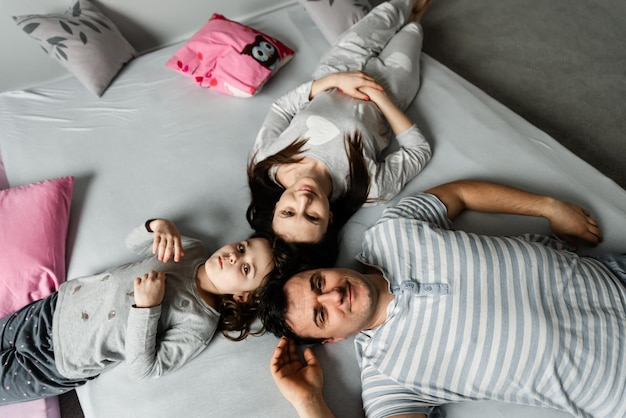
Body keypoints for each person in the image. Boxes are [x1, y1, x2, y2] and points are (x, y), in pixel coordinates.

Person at [261, 179, 626, 418]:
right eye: (322, 314)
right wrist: (310, 404)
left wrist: (548, 205)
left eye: (319, 284)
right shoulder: (388, 375)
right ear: (332, 340)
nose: (334, 295)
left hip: (612, 275)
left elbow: (460, 195)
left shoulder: (391, 230)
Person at [0, 218, 293, 405]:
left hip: (61, 360)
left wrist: (147, 308)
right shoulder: (192, 251)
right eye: (242, 247)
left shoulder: (199, 325)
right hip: (54, 309)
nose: (232, 256)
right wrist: (157, 227)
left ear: (243, 297)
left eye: (244, 268)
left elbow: (144, 368)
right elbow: (134, 244)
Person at [247, 0, 433, 264]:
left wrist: (334, 81)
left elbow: (281, 108)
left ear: (277, 207)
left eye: (289, 212)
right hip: (391, 85)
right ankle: (417, 14)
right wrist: (378, 97)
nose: (303, 200)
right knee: (412, 30)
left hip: (338, 68)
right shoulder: (367, 187)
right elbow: (418, 151)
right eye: (312, 216)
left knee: (390, 11)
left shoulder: (267, 163)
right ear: (330, 218)